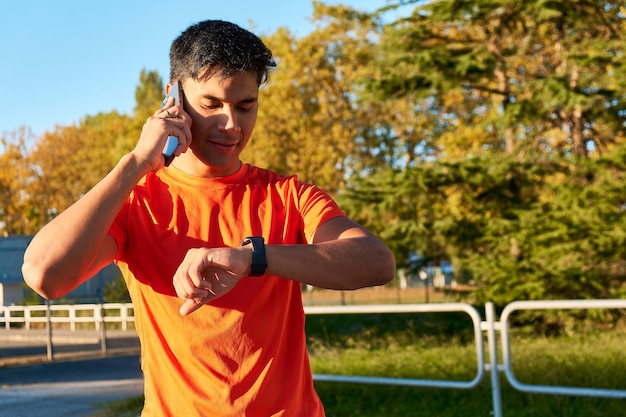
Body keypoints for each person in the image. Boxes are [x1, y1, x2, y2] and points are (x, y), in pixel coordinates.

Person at [22, 19, 396, 417]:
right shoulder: (137, 203)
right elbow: (45, 275)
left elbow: (376, 262)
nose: (231, 124)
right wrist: (134, 163)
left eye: (245, 105)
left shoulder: (287, 195)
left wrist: (253, 258)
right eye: (211, 105)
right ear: (173, 98)